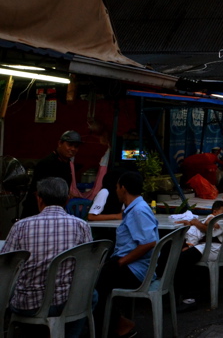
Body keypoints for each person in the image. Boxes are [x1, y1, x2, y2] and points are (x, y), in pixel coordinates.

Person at [1, 177, 93, 338]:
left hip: (28, 304)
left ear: (39, 198)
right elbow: (88, 267)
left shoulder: (20, 226)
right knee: (92, 296)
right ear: (67, 199)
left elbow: (6, 267)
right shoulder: (81, 225)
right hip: (68, 303)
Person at [94, 171, 158, 337]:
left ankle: (117, 325)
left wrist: (121, 262)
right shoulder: (135, 208)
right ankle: (111, 324)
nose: (116, 190)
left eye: (117, 187)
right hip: (132, 264)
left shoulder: (138, 210)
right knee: (97, 277)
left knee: (93, 285)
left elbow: (149, 242)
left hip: (135, 269)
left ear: (123, 188)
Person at [175, 183, 223, 311]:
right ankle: (192, 292)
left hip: (216, 248)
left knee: (183, 258)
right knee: (188, 255)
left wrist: (195, 223)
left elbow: (210, 230)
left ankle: (188, 297)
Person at [22, 130, 83, 217]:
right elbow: (38, 191)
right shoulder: (47, 163)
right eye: (69, 145)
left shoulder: (67, 163)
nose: (73, 149)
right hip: (37, 212)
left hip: (56, 212)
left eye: (76, 147)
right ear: (60, 143)